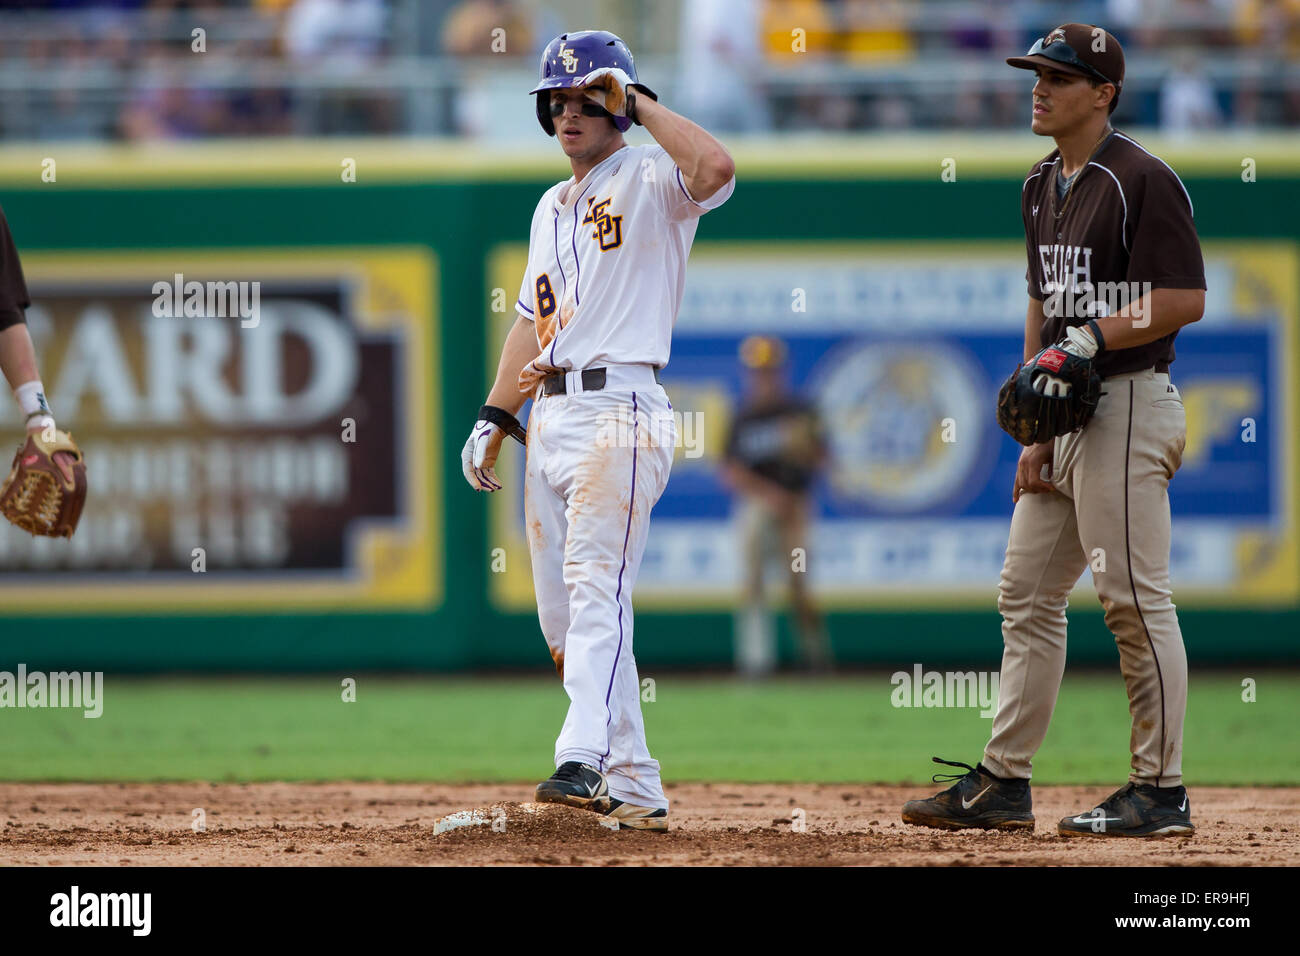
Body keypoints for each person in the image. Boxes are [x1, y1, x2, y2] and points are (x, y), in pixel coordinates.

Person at [902, 23, 1205, 837]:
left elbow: (1182, 299)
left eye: (1058, 77)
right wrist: (1035, 426)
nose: (1038, 88)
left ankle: (1161, 790)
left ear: (1103, 92)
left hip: (1130, 402)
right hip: (1069, 419)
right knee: (1027, 593)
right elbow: (1042, 304)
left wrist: (1087, 341)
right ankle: (1005, 782)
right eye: (1034, 74)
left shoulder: (1142, 177)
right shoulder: (1041, 183)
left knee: (1132, 600)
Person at [460, 30, 735, 831]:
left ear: (618, 105)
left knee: (595, 596)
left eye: (588, 100)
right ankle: (638, 782)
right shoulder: (551, 204)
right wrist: (494, 413)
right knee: (563, 620)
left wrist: (638, 100)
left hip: (621, 409)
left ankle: (581, 760)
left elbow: (716, 169)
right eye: (559, 100)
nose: (570, 113)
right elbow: (529, 324)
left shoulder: (652, 176)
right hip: (552, 414)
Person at [721, 335, 831, 676]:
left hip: (796, 506)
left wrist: (804, 451)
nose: (764, 377)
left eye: (770, 370)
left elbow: (823, 457)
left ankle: (814, 658)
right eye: (758, 371)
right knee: (752, 581)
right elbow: (730, 472)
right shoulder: (744, 416)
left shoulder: (800, 411)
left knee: (799, 583)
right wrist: (769, 495)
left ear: (781, 372)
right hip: (759, 504)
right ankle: (756, 665)